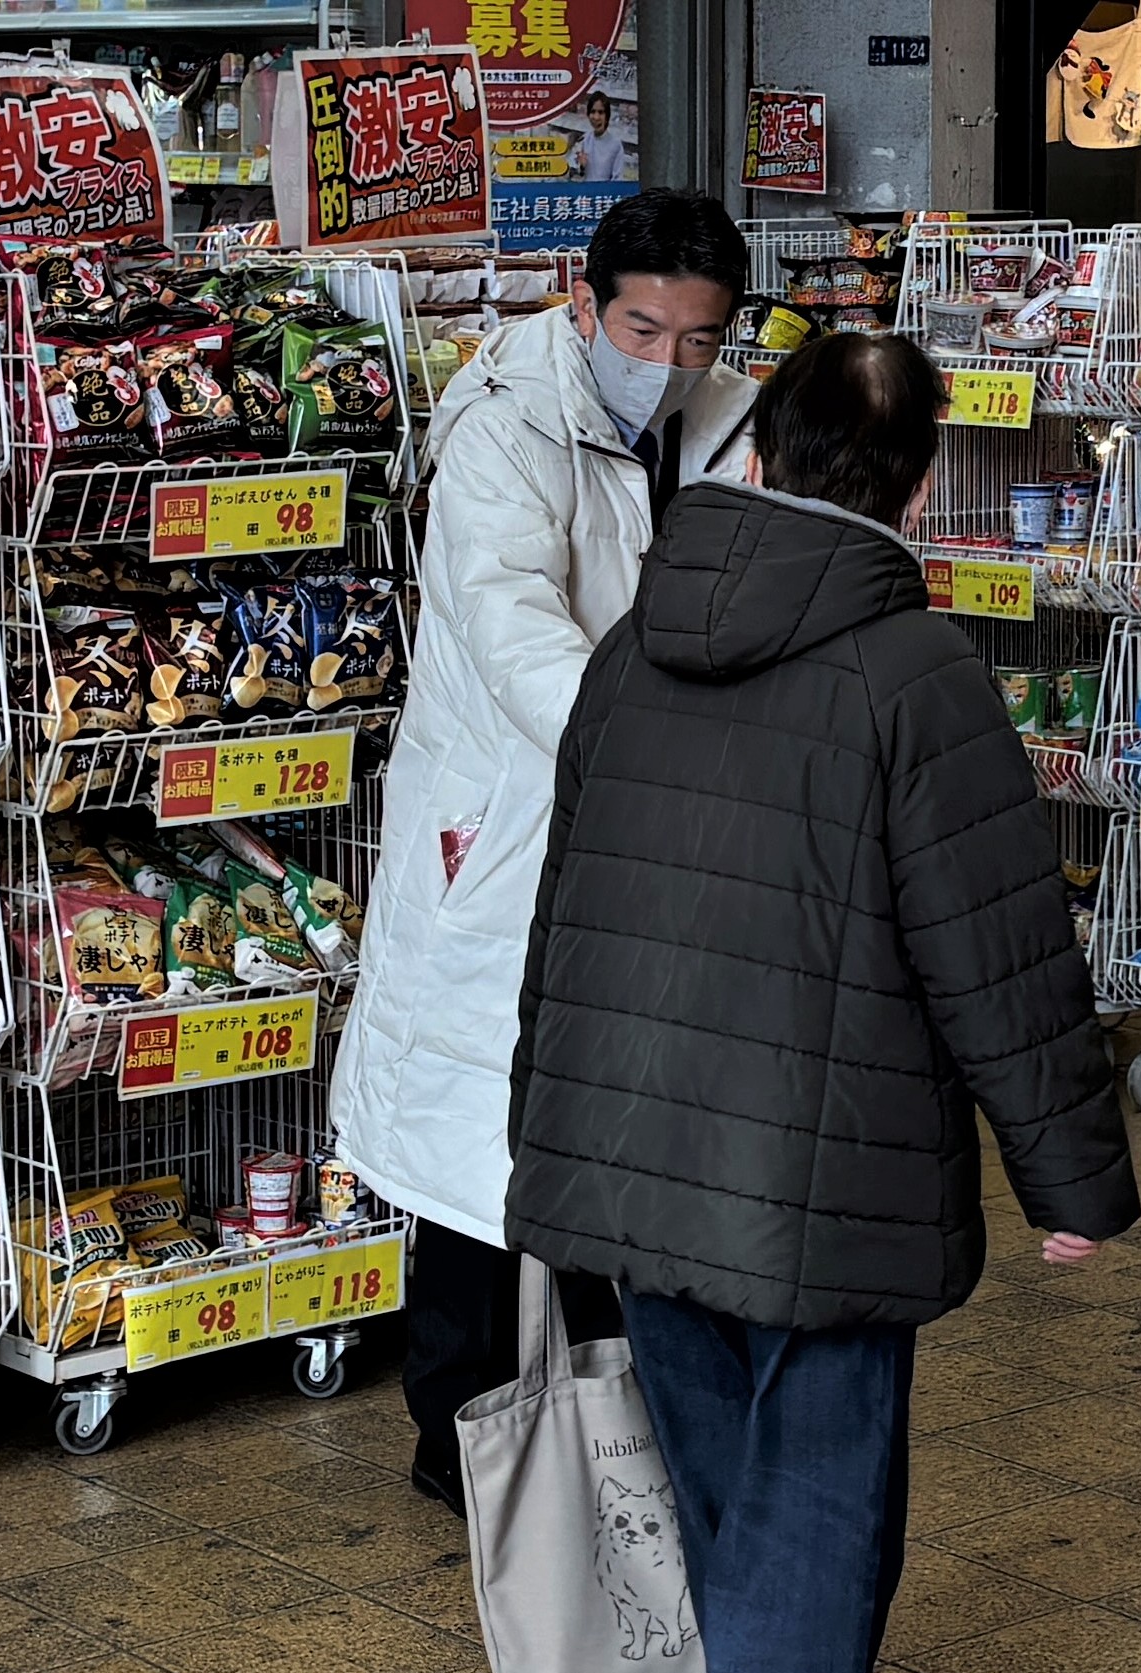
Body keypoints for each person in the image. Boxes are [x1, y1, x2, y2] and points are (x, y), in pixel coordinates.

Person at [505, 334, 1139, 1673]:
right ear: (913, 489)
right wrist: (1073, 1184)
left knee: (733, 1497)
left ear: (759, 447)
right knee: (817, 1515)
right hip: (829, 1188)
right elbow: (999, 950)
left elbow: (565, 912)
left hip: (637, 1151)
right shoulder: (916, 675)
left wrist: (543, 1134)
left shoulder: (627, 647)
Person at [331, 189, 757, 1517]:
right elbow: (514, 626)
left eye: (696, 339)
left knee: (607, 1122)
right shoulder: (502, 431)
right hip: (508, 828)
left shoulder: (728, 421)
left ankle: (599, 1409)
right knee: (479, 1130)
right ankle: (456, 1420)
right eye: (643, 328)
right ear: (583, 305)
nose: (668, 361)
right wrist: (649, 748)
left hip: (652, 828)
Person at [571, 92, 627, 182]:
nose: (596, 117)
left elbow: (618, 179)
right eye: (593, 112)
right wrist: (581, 167)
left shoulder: (616, 145)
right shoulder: (584, 140)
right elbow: (573, 173)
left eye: (601, 112)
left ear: (607, 116)